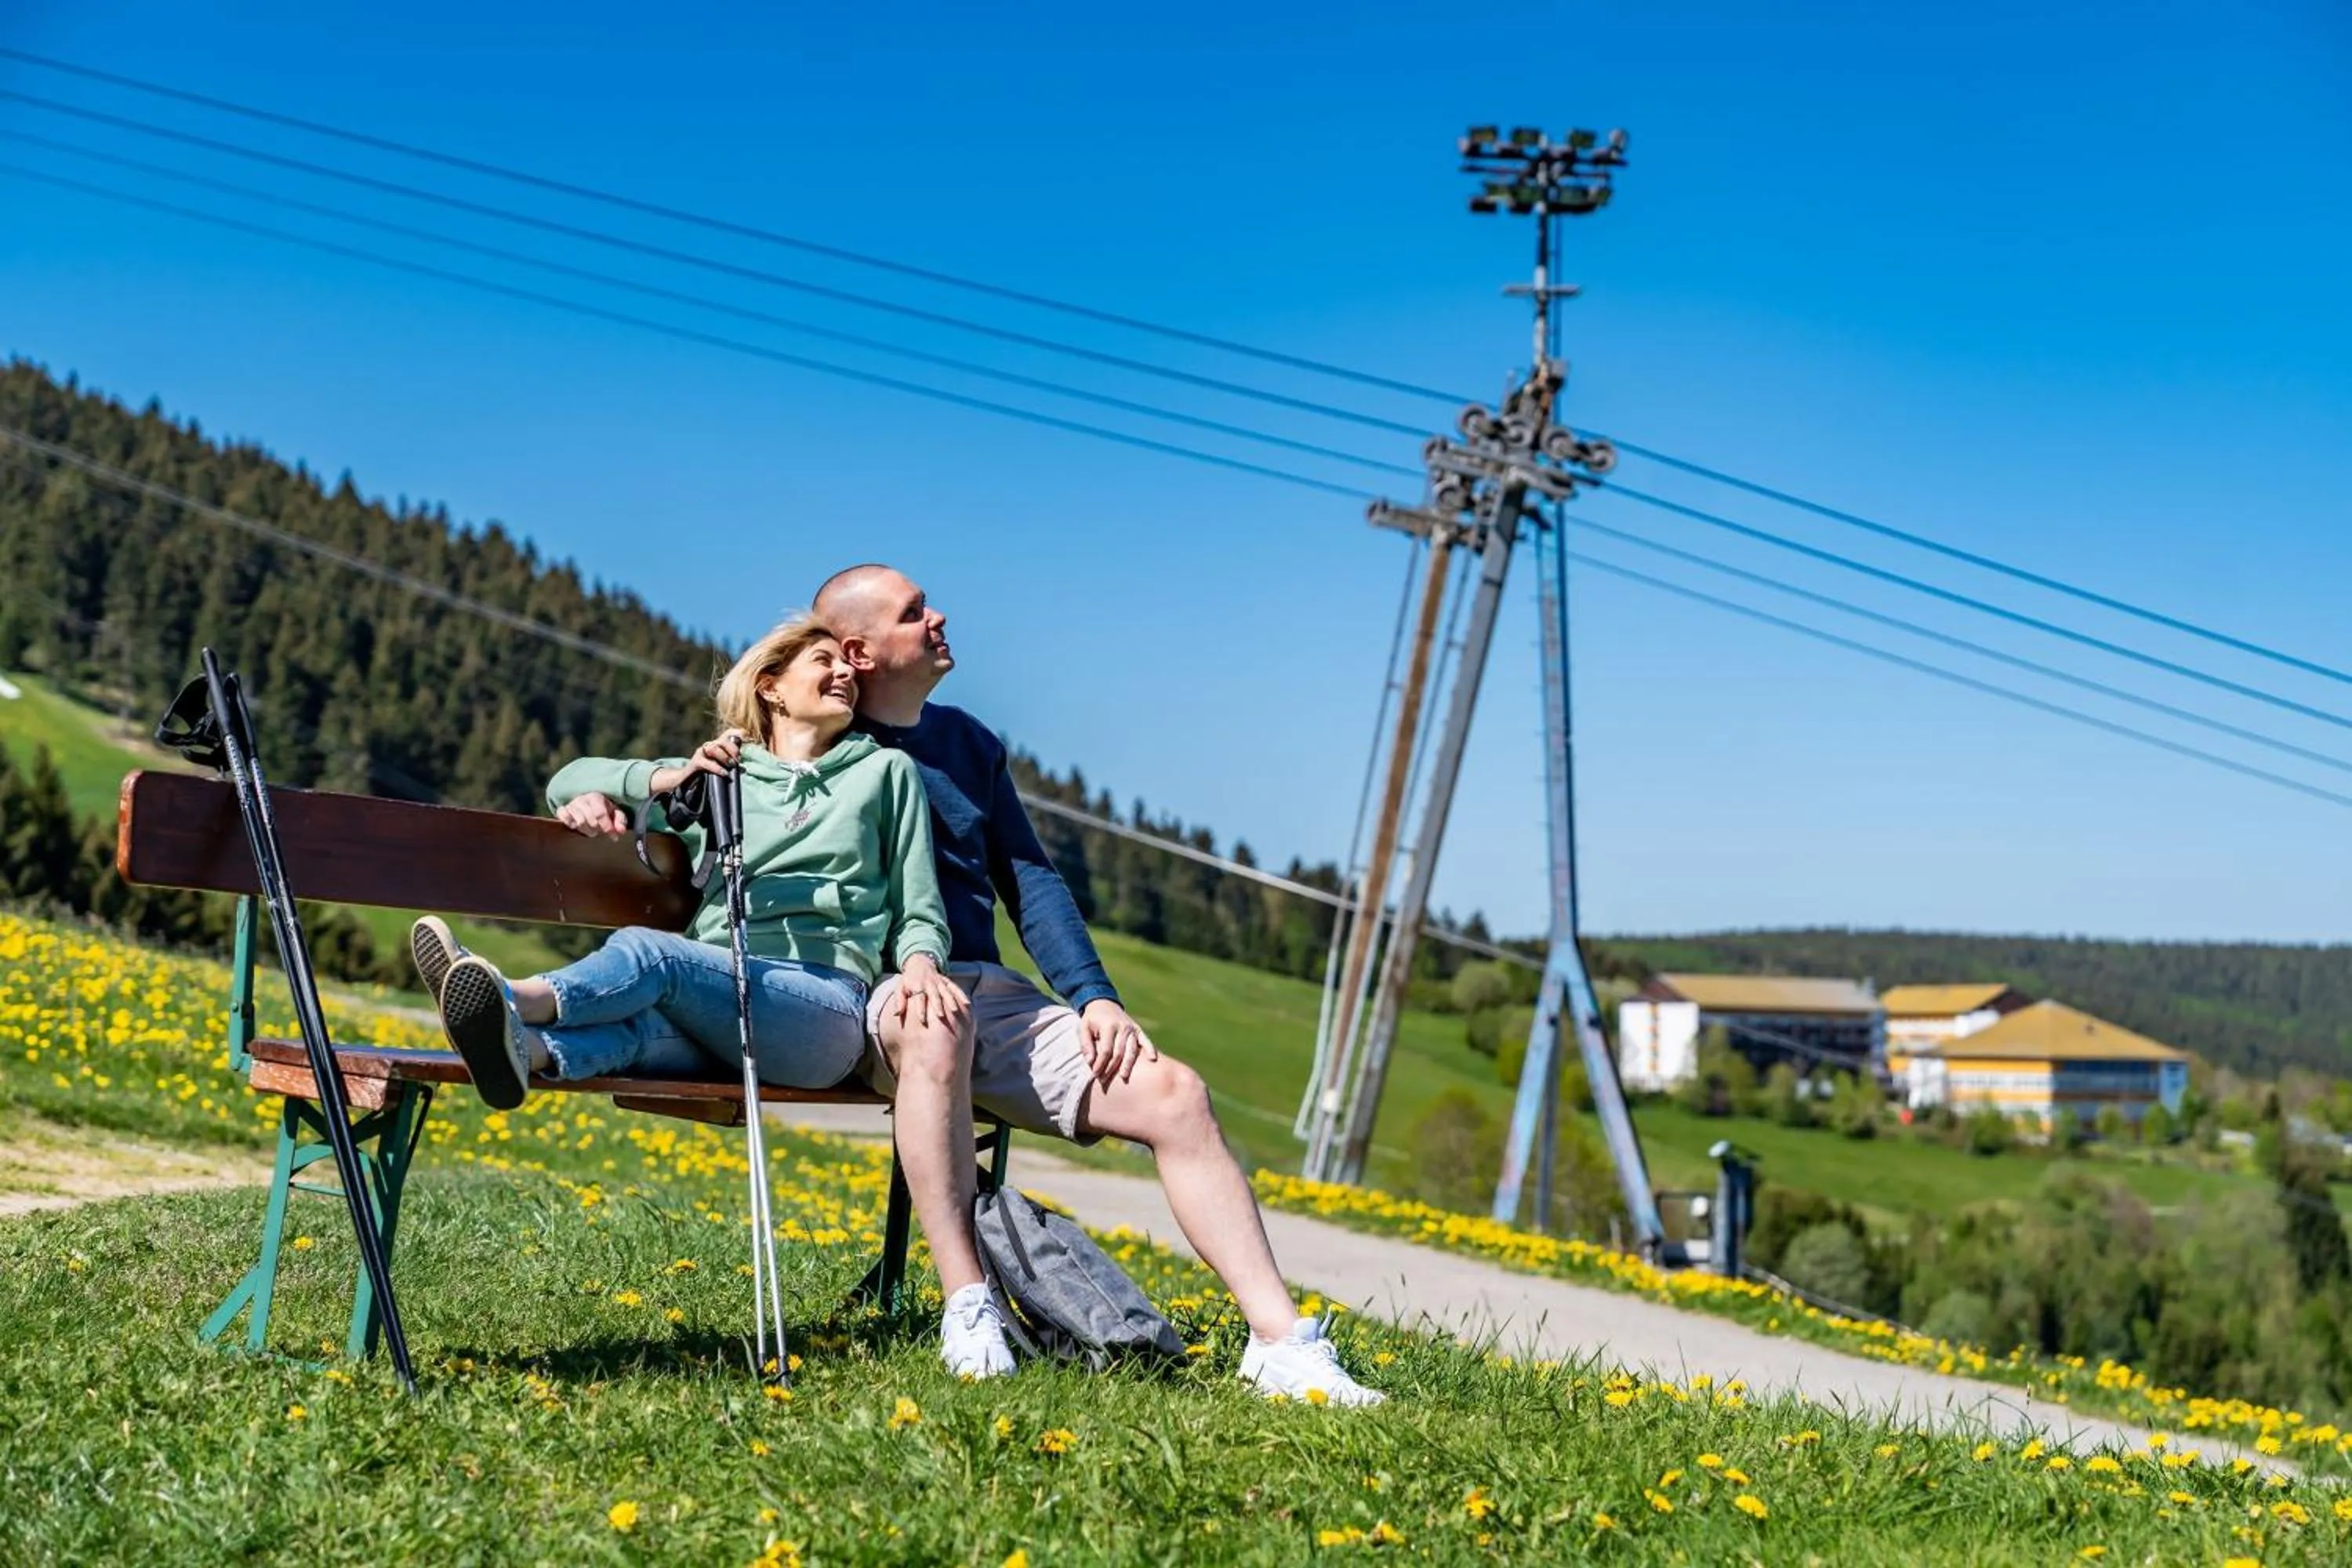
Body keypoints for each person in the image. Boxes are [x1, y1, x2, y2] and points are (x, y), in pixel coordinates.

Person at [804, 563, 1385, 1405]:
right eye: (914, 611)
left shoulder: (969, 744)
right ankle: (970, 1311)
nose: (940, 617)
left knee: (1176, 1093)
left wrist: (1096, 997)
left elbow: (1030, 881)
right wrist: (605, 795)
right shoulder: (812, 737)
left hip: (983, 995)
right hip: (872, 995)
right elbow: (697, 783)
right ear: (858, 650)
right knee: (932, 1024)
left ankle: (1278, 1342)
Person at [408, 615, 1016, 1377]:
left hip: (823, 1007)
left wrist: (923, 962)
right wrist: (652, 783)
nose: (844, 676)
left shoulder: (882, 772)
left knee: (649, 957)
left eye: (847, 669)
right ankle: (527, 1049)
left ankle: (510, 996)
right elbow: (570, 779)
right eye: (822, 662)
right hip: (718, 1005)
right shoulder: (720, 773)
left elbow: (917, 898)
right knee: (633, 1031)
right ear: (771, 686)